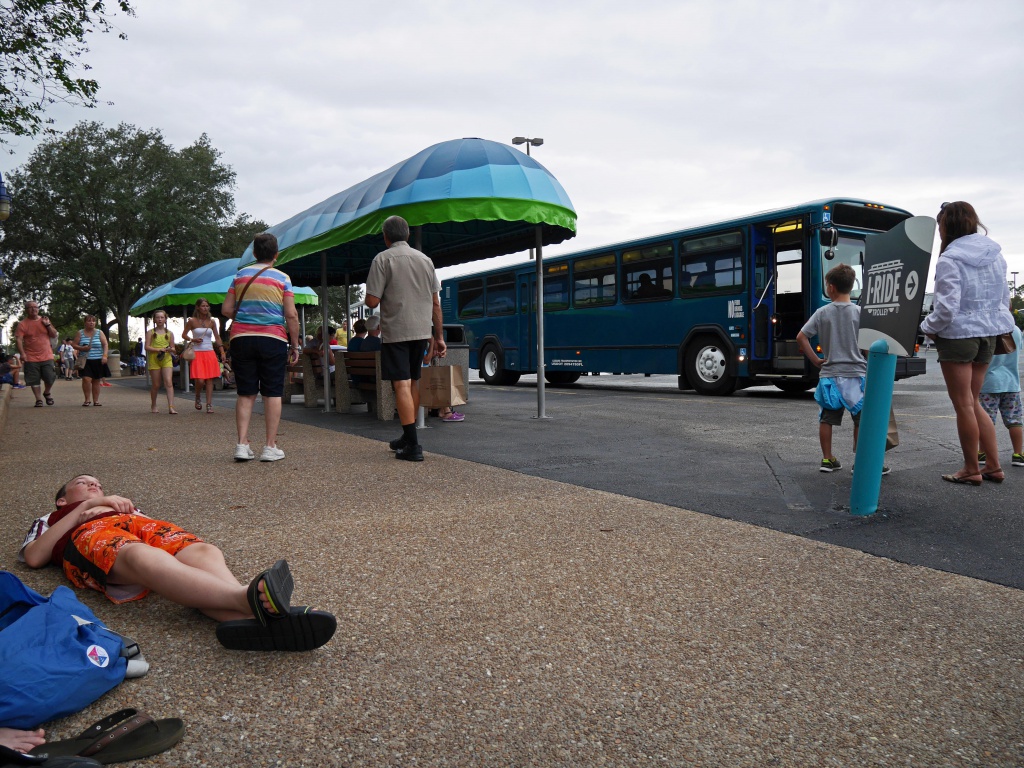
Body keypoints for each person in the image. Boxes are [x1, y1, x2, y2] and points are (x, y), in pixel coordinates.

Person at [17, 474, 332, 652]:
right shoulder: (53, 517)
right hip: (89, 535)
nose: (94, 485)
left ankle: (247, 619)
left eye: (98, 483)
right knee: (140, 556)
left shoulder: (122, 505)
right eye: (84, 482)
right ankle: (244, 596)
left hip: (138, 526)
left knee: (204, 553)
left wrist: (126, 512)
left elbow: (156, 532)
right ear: (62, 499)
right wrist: (88, 506)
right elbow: (34, 557)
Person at [920, 201, 1016, 485]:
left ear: (948, 226)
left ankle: (971, 468)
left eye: (940, 225)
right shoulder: (996, 256)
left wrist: (928, 327)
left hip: (958, 336)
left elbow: (947, 308)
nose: (939, 231)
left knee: (963, 404)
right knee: (973, 402)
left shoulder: (950, 259)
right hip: (989, 335)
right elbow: (1004, 302)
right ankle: (994, 466)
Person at [365, 216, 446, 462]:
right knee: (413, 382)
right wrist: (439, 336)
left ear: (386, 236)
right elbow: (435, 303)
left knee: (400, 385)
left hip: (396, 331)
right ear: (408, 235)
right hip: (421, 332)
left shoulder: (382, 259)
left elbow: (371, 301)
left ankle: (413, 444)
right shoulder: (426, 261)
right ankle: (407, 436)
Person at [797, 264, 891, 474]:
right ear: (851, 287)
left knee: (827, 418)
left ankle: (827, 459)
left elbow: (801, 337)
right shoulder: (860, 313)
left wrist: (815, 360)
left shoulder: (822, 313)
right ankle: (861, 462)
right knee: (861, 420)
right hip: (856, 376)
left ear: (830, 288)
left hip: (830, 376)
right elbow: (869, 346)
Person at [221, 233, 301, 462]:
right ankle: (269, 446)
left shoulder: (239, 276)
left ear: (254, 253)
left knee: (245, 393)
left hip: (242, 339)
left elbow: (227, 310)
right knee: (272, 392)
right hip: (272, 339)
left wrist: (245, 313)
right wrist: (294, 344)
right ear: (276, 255)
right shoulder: (283, 278)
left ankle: (241, 444)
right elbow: (291, 315)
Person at [978, 324, 1023, 470]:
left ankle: (983, 453)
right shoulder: (1016, 330)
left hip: (989, 382)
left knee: (986, 420)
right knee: (1014, 420)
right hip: (1011, 382)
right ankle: (1018, 453)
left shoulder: (988, 327)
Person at [183, 298, 225, 413]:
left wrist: (221, 351)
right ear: (197, 307)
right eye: (203, 306)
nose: (205, 308)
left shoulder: (212, 321)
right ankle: (197, 396)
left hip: (209, 352)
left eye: (207, 306)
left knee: (209, 380)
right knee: (200, 380)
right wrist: (192, 339)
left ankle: (209, 404)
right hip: (197, 353)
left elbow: (217, 337)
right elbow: (184, 335)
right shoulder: (192, 321)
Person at [14, 300, 58, 407]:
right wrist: (22, 354)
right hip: (31, 356)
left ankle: (47, 392)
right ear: (26, 310)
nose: (33, 309)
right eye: (30, 307)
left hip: (47, 354)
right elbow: (19, 340)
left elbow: (53, 334)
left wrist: (47, 325)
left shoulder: (45, 320)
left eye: (35, 307)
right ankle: (38, 399)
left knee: (50, 377)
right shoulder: (22, 324)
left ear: (38, 309)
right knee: (34, 379)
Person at [72, 315, 109, 407]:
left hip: (97, 359)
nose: (91, 322)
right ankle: (87, 399)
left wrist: (105, 355)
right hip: (85, 360)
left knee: (96, 380)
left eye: (93, 321)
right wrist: (82, 348)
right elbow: (74, 344)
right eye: (89, 321)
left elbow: (105, 344)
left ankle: (96, 400)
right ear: (85, 323)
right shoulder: (80, 333)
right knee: (86, 379)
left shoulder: (99, 332)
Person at [144, 310, 177, 415]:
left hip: (166, 358)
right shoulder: (151, 332)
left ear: (165, 319)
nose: (160, 319)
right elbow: (147, 347)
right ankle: (153, 404)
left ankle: (171, 407)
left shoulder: (169, 333)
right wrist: (158, 350)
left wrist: (171, 349)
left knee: (168, 382)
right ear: (154, 319)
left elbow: (173, 348)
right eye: (157, 317)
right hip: (154, 359)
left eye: (162, 317)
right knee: (156, 384)